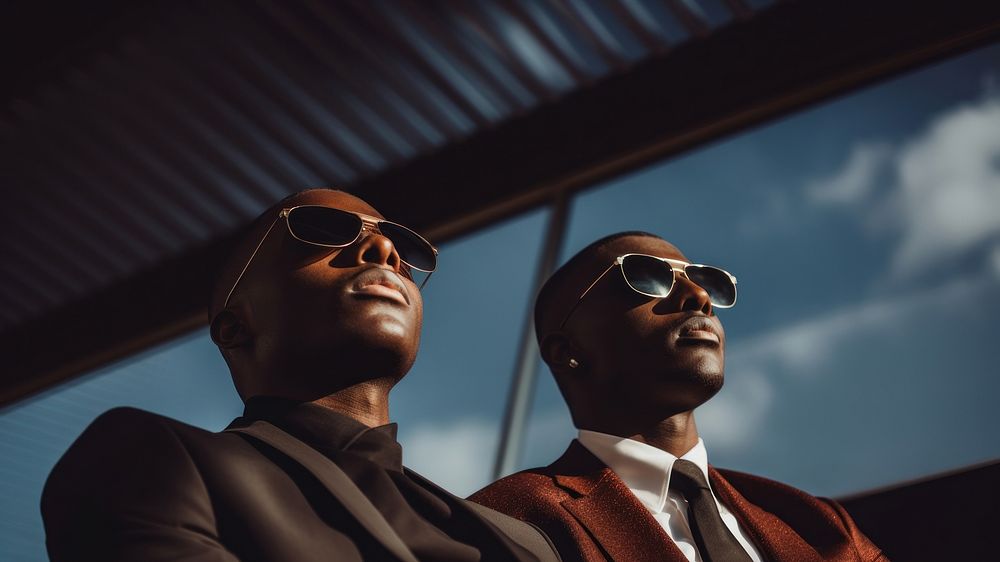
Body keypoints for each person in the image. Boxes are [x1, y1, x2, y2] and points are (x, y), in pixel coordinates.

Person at [42, 188, 559, 562]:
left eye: (403, 250)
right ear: (234, 328)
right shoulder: (142, 460)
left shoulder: (528, 543)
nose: (385, 252)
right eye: (322, 231)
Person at [470, 232, 886, 562]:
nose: (700, 298)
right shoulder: (507, 520)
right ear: (566, 350)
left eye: (706, 284)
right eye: (648, 277)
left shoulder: (818, 525)